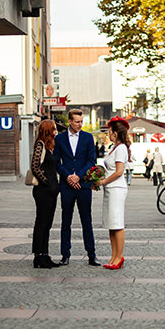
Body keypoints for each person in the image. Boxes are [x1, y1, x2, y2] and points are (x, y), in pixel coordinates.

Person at [55, 109, 101, 266]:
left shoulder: (88, 138)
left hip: (83, 185)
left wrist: (78, 176)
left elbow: (91, 161)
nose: (80, 124)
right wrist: (68, 176)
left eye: (81, 121)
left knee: (86, 220)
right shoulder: (59, 139)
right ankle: (65, 255)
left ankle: (91, 254)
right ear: (70, 121)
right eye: (77, 121)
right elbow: (56, 162)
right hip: (67, 186)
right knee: (65, 221)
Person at [30, 119, 61, 269]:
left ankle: (45, 254)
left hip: (51, 191)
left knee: (47, 224)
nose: (55, 131)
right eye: (53, 129)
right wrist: (47, 182)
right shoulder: (40, 145)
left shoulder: (49, 147)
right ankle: (38, 256)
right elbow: (35, 166)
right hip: (43, 192)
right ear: (47, 130)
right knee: (41, 223)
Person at [100, 117, 130, 270]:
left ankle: (119, 256)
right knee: (112, 224)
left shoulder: (121, 148)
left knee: (117, 223)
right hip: (110, 189)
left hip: (116, 188)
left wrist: (103, 181)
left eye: (110, 132)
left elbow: (119, 172)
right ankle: (114, 256)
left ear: (116, 133)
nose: (108, 134)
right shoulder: (114, 148)